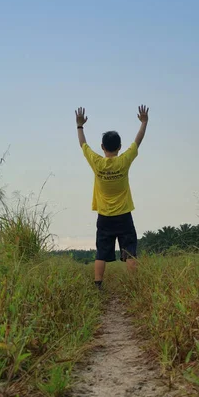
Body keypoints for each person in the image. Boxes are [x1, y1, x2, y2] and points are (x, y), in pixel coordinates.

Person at [75, 105, 149, 289]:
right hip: (124, 214)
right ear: (120, 147)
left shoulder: (97, 162)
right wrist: (144, 122)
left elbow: (83, 145)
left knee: (101, 252)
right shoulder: (124, 161)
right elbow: (137, 142)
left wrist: (79, 126)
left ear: (102, 147)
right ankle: (134, 287)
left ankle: (98, 285)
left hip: (104, 216)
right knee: (130, 252)